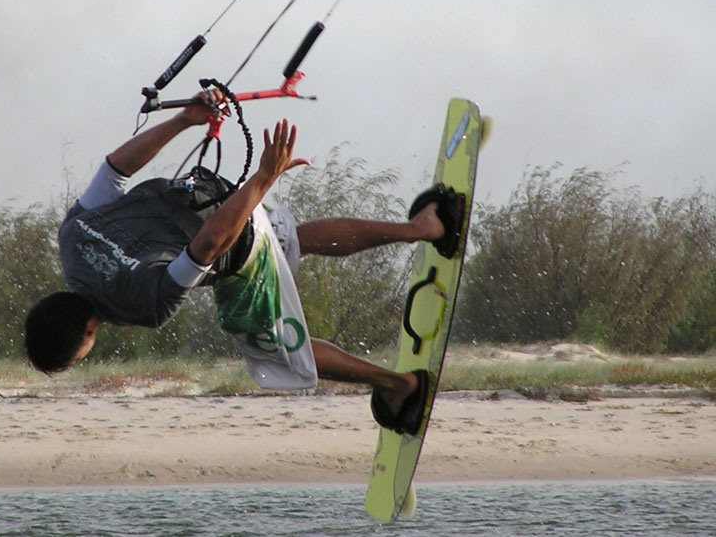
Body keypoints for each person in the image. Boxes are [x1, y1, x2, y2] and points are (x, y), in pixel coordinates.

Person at [25, 92, 462, 435]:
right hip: (208, 192)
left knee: (277, 348)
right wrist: (184, 120)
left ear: (87, 334)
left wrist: (265, 178)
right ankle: (422, 227)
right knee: (293, 238)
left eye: (80, 356)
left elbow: (210, 244)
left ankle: (398, 385)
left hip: (234, 236)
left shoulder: (143, 304)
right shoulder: (71, 236)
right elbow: (116, 167)